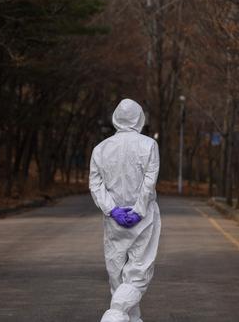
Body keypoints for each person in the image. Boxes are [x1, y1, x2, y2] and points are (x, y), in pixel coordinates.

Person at [89, 98, 161, 322]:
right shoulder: (149, 145)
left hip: (114, 222)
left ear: (115, 119)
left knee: (117, 274)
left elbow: (95, 183)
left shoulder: (101, 149)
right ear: (140, 118)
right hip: (144, 219)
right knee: (138, 274)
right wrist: (138, 210)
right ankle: (115, 315)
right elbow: (149, 182)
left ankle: (131, 318)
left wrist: (112, 210)